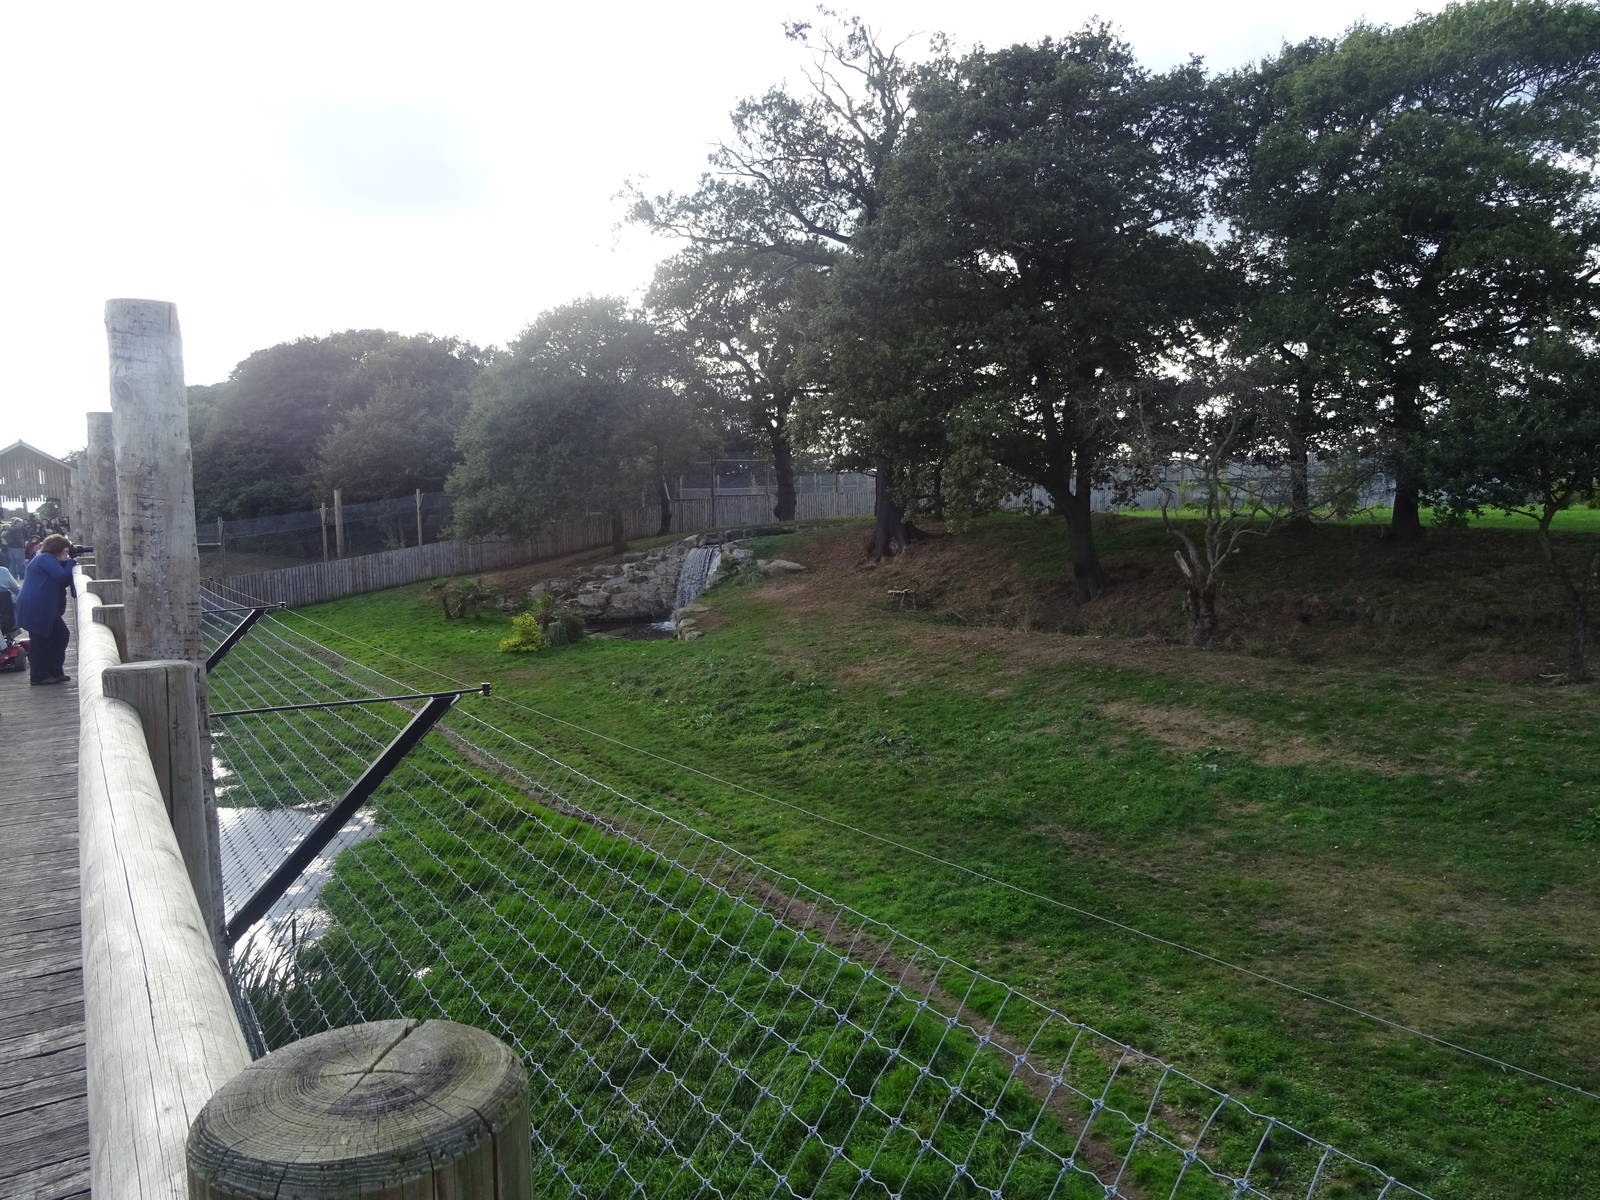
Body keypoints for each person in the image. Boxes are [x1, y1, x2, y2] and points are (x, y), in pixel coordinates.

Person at [17, 533, 75, 685]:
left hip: (39, 607)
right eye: (66, 551)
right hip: (37, 608)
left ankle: (54, 671)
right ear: (58, 549)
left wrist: (67, 562)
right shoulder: (44, 559)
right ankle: (39, 675)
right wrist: (71, 563)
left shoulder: (43, 558)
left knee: (55, 637)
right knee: (42, 641)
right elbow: (61, 577)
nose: (67, 554)